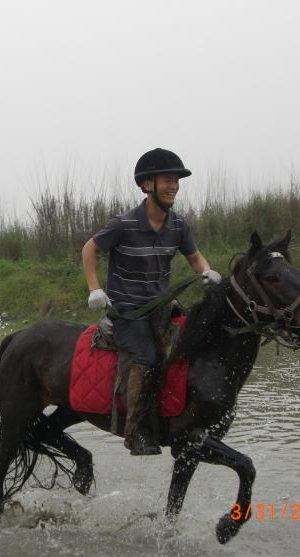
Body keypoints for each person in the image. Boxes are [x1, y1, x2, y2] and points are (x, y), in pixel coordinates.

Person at [81, 148, 221, 455]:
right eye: (167, 180)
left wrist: (207, 272)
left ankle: (179, 419)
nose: (174, 186)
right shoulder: (123, 224)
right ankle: (135, 432)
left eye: (177, 180)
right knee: (147, 357)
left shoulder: (178, 226)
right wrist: (94, 288)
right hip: (127, 313)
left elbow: (195, 257)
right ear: (147, 185)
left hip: (160, 309)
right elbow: (89, 249)